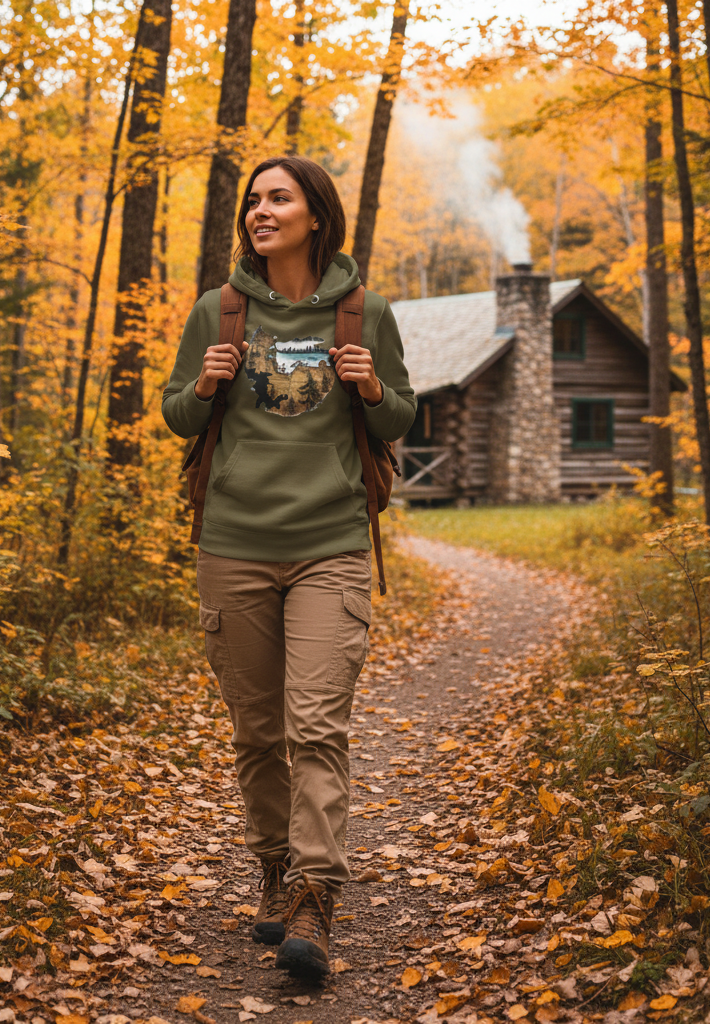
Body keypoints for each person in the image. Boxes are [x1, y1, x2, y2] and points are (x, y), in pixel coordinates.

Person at [161, 155, 415, 979]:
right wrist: (203, 384)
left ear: (316, 215)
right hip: (232, 545)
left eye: (278, 199)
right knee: (258, 734)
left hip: (330, 548)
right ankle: (274, 868)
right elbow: (176, 415)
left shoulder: (364, 310)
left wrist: (373, 387)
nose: (260, 212)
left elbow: (402, 415)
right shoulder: (219, 309)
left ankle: (315, 893)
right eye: (253, 202)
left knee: (317, 727)